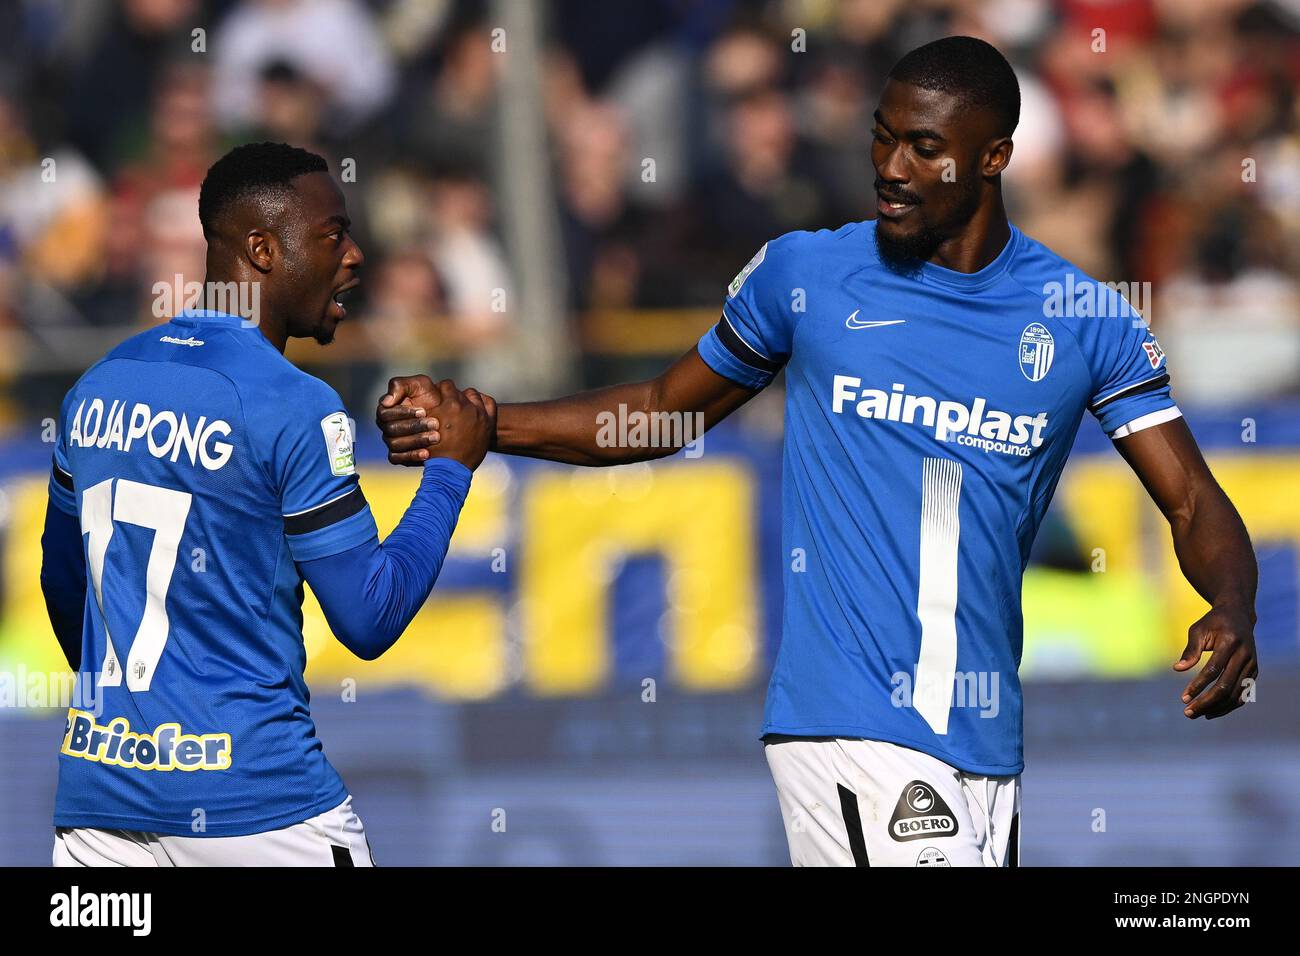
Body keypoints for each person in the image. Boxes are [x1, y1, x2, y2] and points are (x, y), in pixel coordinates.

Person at [379, 38, 1261, 867]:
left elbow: (1190, 499)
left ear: (993, 157)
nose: (890, 168)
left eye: (923, 147)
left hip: (988, 746)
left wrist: (1232, 603)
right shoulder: (807, 276)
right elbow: (658, 412)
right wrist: (489, 421)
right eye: (882, 139)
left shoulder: (1084, 319)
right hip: (854, 726)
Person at [39, 142, 493, 866]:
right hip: (263, 812)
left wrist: (144, 725)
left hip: (102, 806)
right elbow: (369, 618)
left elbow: (63, 583)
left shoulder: (99, 382)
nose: (355, 256)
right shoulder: (293, 405)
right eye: (332, 234)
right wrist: (449, 471)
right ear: (260, 249)